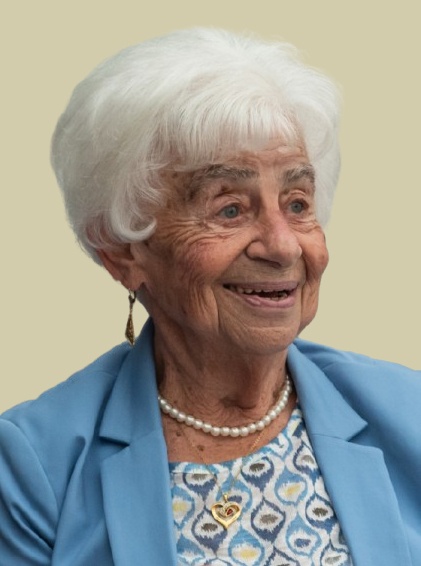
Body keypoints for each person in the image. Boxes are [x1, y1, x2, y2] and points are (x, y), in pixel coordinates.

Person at [0, 27, 420, 566]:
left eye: (297, 203)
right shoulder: (34, 467)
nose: (282, 245)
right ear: (122, 252)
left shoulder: (409, 412)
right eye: (230, 209)